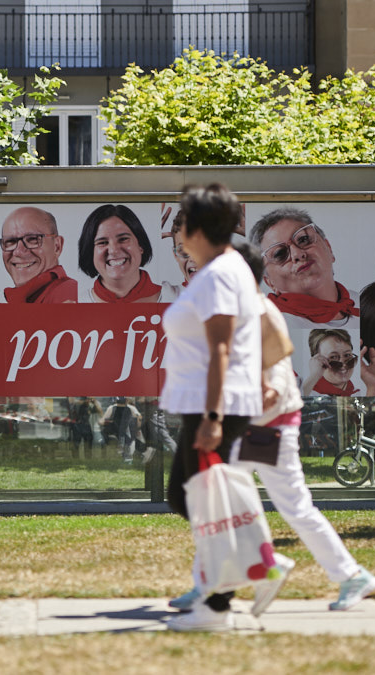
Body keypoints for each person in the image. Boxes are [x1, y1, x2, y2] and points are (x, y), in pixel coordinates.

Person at [170, 241, 375, 617]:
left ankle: (340, 572)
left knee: (280, 503)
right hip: (259, 425)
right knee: (217, 498)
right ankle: (215, 581)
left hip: (268, 427)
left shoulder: (256, 310)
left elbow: (274, 382)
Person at [159, 183, 263, 632]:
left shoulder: (221, 274)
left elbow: (221, 348)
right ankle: (232, 579)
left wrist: (214, 417)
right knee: (192, 497)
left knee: (199, 499)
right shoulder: (217, 270)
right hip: (202, 403)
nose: (178, 228)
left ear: (196, 226)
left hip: (213, 405)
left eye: (182, 220)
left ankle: (219, 605)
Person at [249, 207, 358, 329]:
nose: (297, 254)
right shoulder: (267, 327)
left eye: (303, 239)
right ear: (270, 283)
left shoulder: (362, 302)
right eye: (279, 254)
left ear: (329, 248)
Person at [78, 204, 180, 303]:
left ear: (141, 245)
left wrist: (182, 241)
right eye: (102, 242)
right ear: (90, 252)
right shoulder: (75, 304)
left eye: (123, 239)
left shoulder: (177, 297)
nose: (114, 250)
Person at [0, 207, 78, 303]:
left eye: (32, 239)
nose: (18, 252)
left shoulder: (68, 292)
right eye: (10, 241)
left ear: (57, 246)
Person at [302, 329, 360, 397]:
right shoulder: (308, 393)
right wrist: (314, 376)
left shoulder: (359, 393)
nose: (344, 364)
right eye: (333, 357)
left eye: (347, 355)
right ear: (317, 360)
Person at [100, 397, 142, 463]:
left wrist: (106, 422)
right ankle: (127, 455)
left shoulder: (112, 408)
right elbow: (139, 417)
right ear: (126, 400)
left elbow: (102, 421)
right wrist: (137, 428)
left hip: (116, 432)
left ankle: (125, 453)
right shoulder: (131, 408)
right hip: (125, 433)